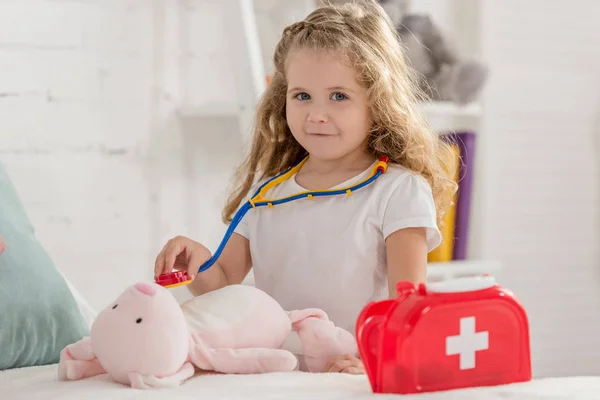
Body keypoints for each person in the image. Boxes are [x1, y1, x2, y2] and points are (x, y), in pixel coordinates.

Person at [154, 0, 456, 375]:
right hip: (273, 369)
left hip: (352, 372)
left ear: (377, 103)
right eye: (302, 96)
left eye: (339, 96)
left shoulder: (398, 191)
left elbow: (405, 302)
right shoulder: (266, 194)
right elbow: (224, 284)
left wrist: (374, 358)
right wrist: (195, 263)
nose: (316, 114)